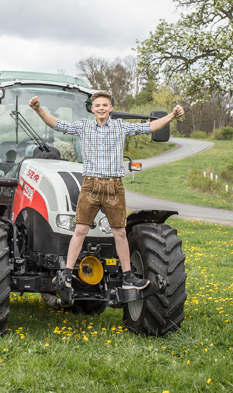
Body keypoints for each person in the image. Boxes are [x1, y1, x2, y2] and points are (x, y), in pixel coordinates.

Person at [29, 91, 184, 289]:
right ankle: (66, 274)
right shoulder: (83, 127)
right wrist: (38, 109)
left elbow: (150, 127)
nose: (101, 108)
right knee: (80, 230)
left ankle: (128, 276)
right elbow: (56, 124)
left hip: (113, 186)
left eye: (105, 105)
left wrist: (171, 116)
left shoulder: (120, 127)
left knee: (119, 232)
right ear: (92, 109)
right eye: (98, 105)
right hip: (90, 185)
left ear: (110, 108)